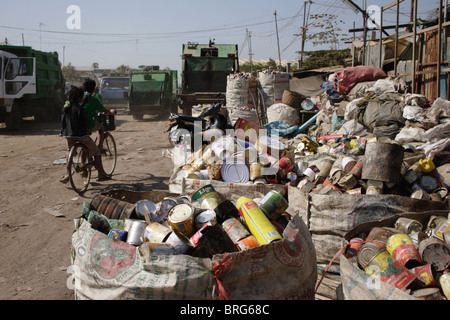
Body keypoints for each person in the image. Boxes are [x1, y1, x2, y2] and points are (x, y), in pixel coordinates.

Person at [60, 86, 110, 183]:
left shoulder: (66, 107)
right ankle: (101, 174)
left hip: (68, 135)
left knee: (70, 152)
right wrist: (87, 131)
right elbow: (83, 124)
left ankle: (68, 173)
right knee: (96, 152)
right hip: (81, 135)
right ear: (79, 98)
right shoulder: (79, 109)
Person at [81, 78, 116, 149]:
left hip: (78, 124)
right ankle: (100, 146)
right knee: (101, 127)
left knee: (84, 146)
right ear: (94, 89)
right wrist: (112, 112)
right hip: (88, 123)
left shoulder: (79, 97)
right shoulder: (94, 99)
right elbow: (105, 110)